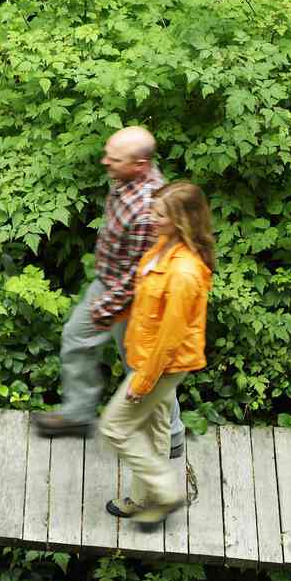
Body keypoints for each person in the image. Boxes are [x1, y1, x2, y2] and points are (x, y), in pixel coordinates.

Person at [35, 126, 184, 458]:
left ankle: (172, 436)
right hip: (108, 282)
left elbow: (139, 276)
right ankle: (78, 414)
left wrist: (106, 309)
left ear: (140, 164)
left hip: (135, 299)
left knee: (140, 364)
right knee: (76, 338)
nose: (105, 162)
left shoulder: (150, 209)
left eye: (114, 159)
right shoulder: (126, 179)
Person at [101, 182, 215, 523]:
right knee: (156, 427)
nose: (151, 218)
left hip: (161, 364)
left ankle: (164, 489)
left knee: (114, 426)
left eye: (159, 214)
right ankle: (142, 499)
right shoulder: (164, 248)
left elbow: (169, 338)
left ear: (181, 221)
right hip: (148, 354)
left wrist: (142, 382)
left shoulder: (183, 272)